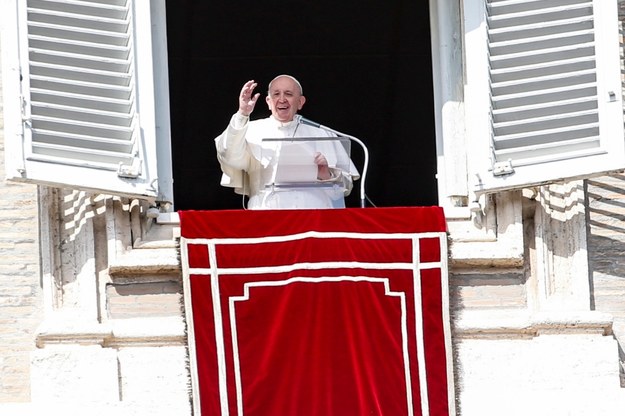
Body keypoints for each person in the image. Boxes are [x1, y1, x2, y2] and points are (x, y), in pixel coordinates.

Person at [214, 74, 359, 209]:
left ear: (300, 102)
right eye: (276, 94)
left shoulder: (323, 133)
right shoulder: (250, 130)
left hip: (313, 218)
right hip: (267, 217)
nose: (282, 99)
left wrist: (326, 174)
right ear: (268, 102)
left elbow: (343, 191)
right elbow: (229, 157)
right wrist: (242, 114)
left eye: (288, 94)